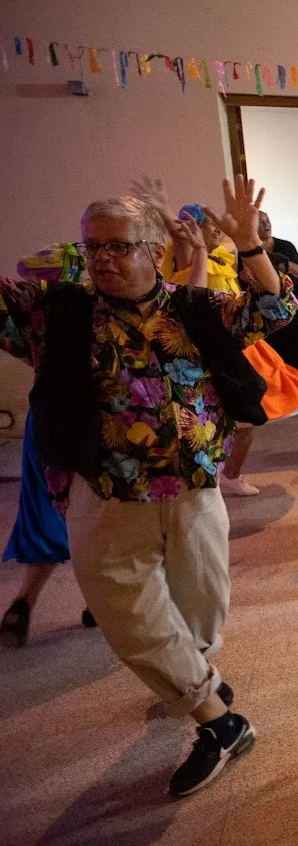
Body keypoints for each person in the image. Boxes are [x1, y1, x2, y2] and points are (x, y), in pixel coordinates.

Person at [0, 177, 298, 796]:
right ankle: (219, 722)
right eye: (93, 246)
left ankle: (202, 693)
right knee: (128, 619)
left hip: (194, 490)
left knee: (199, 618)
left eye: (117, 246)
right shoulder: (56, 314)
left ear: (152, 247)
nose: (102, 258)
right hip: (105, 495)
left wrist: (250, 248)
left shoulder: (194, 310)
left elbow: (275, 308)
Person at [158, 201, 298, 496]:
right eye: (207, 225)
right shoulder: (188, 256)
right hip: (203, 348)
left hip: (235, 341)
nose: (214, 230)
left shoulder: (223, 257)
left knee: (248, 419)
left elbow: (270, 301)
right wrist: (164, 209)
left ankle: (228, 474)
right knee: (222, 419)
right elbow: (193, 289)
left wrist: (245, 240)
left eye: (214, 225)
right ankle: (219, 475)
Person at [1, 243, 97, 647]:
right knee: (103, 514)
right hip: (100, 422)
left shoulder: (34, 322)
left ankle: (23, 601)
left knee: (44, 511)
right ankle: (101, 599)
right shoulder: (102, 312)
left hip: (47, 423)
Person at [256, 212, 298, 376]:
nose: (266, 225)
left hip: (294, 308)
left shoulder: (285, 246)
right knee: (274, 365)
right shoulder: (247, 252)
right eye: (261, 222)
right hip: (267, 315)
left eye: (267, 221)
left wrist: (270, 258)